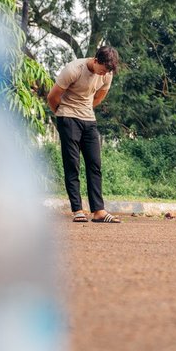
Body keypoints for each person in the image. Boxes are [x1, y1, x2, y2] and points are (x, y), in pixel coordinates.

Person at [47, 45, 121, 224]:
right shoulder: (74, 70)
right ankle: (77, 209)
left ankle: (98, 211)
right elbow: (52, 97)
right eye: (102, 70)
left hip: (88, 118)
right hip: (67, 116)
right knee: (72, 164)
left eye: (107, 72)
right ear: (96, 61)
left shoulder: (107, 74)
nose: (103, 74)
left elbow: (100, 95)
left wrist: (85, 109)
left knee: (95, 164)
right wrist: (62, 115)